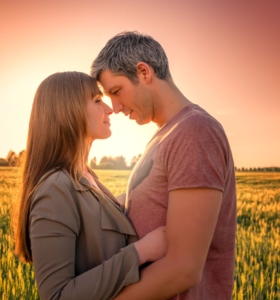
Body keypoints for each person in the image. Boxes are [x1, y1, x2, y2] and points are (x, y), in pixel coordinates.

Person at [91, 31, 237, 300]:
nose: (117, 107)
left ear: (144, 72)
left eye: (116, 91)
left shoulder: (194, 131)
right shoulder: (167, 134)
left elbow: (183, 269)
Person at [13, 71, 167, 300]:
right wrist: (140, 252)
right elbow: (57, 296)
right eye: (96, 100)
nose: (109, 109)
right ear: (68, 112)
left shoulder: (85, 177)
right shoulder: (55, 189)